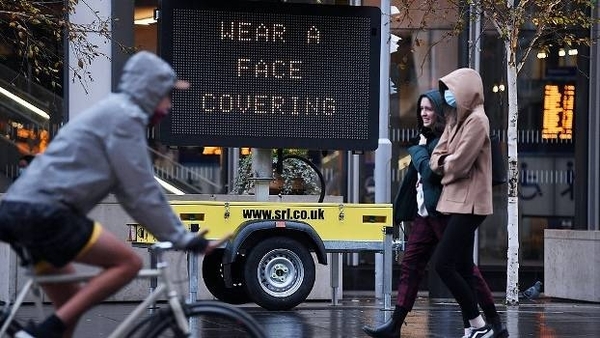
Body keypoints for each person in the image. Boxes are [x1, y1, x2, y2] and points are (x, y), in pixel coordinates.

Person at [0, 51, 229, 338]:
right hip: (46, 213)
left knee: (70, 308)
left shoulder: (114, 113)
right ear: (149, 90)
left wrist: (175, 234)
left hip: (24, 211)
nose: (169, 106)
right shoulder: (124, 118)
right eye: (166, 95)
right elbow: (142, 192)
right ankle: (42, 332)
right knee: (129, 263)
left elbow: (131, 193)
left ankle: (49, 331)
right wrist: (182, 238)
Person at [362, 90, 508, 338]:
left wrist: (417, 152)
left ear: (439, 111)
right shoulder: (425, 138)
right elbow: (421, 176)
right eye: (421, 109)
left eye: (428, 108)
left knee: (464, 269)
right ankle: (395, 325)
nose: (423, 113)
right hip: (424, 214)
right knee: (410, 265)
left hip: (445, 212)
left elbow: (431, 172)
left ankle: (492, 324)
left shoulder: (445, 138)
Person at [430, 68, 498, 338]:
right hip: (456, 201)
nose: (447, 95)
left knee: (443, 265)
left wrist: (444, 164)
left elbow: (458, 164)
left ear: (466, 92)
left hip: (470, 204)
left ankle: (480, 325)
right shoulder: (455, 118)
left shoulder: (478, 121)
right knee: (462, 267)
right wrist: (444, 162)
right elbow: (438, 155)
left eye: (452, 90)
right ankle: (472, 327)